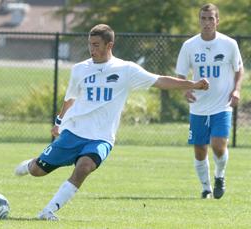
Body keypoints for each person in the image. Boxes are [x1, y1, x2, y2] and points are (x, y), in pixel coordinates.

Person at [15, 24, 209, 221]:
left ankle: (48, 211)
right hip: (73, 132)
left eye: (97, 45)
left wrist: (193, 84)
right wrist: (59, 122)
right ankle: (29, 165)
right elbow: (70, 99)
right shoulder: (79, 69)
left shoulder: (126, 69)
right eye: (90, 44)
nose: (92, 49)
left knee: (84, 167)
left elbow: (160, 81)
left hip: (102, 138)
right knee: (38, 171)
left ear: (110, 45)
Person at [176, 3, 244, 199]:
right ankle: (206, 188)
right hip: (198, 106)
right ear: (199, 21)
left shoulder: (229, 44)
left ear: (217, 21)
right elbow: (181, 74)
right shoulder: (189, 46)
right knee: (199, 149)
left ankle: (219, 176)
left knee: (218, 144)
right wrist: (186, 89)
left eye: (210, 18)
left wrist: (237, 90)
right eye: (203, 18)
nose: (207, 22)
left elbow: (239, 69)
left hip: (222, 105)